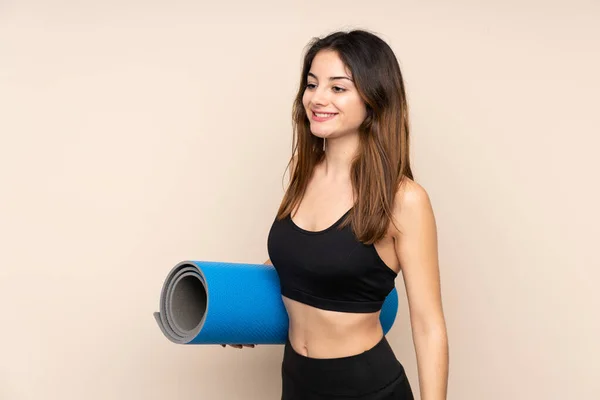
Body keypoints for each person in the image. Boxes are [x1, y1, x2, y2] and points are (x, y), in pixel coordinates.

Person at [224, 29, 449, 400]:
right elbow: (304, 259)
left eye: (338, 88)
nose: (317, 98)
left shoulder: (404, 200)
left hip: (365, 388)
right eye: (312, 85)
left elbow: (428, 325)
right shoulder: (303, 171)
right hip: (296, 379)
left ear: (373, 100)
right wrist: (240, 311)